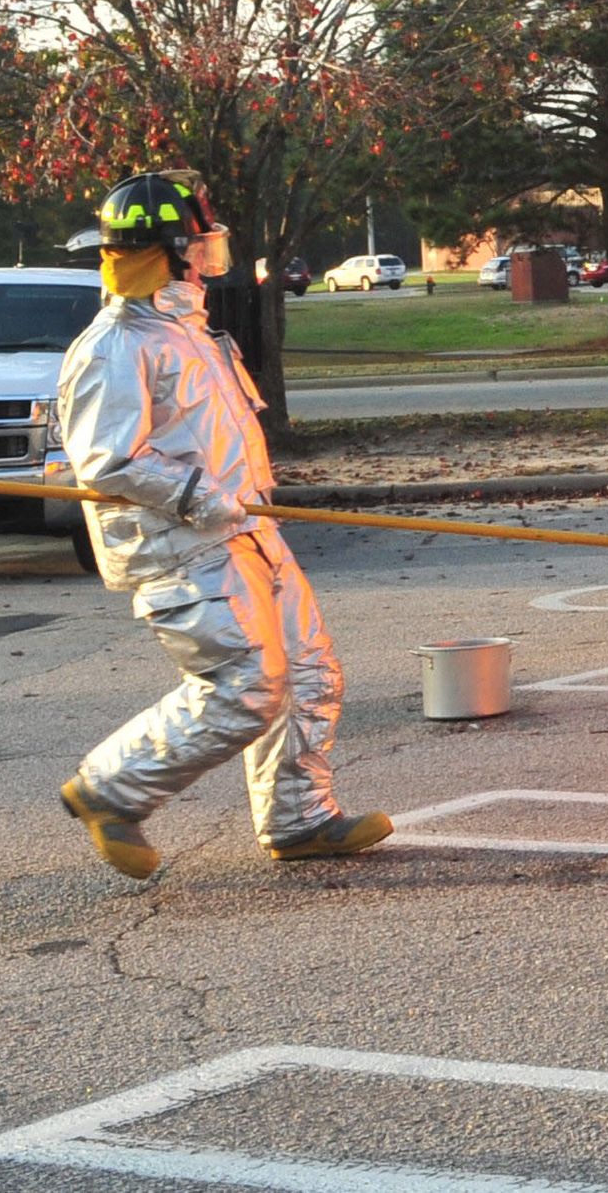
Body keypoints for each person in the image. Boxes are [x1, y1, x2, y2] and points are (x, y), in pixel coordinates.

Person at [54, 171, 389, 879]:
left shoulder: (188, 330)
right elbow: (106, 461)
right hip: (180, 546)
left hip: (243, 529)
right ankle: (110, 789)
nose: (212, 260)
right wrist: (201, 495)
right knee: (245, 686)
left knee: (307, 673)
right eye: (202, 247)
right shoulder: (117, 344)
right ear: (171, 253)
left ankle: (299, 818)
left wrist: (237, 496)